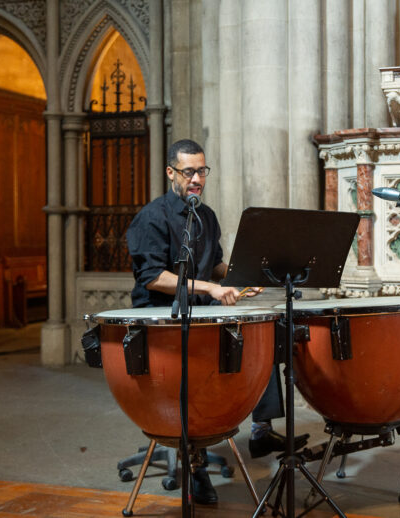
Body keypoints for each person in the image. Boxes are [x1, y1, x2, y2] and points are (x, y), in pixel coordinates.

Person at [125, 139, 307, 505]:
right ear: (171, 173)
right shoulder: (153, 217)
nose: (196, 179)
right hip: (162, 317)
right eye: (188, 171)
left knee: (257, 333)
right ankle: (197, 472)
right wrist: (210, 287)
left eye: (201, 171)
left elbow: (216, 265)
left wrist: (242, 276)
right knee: (196, 378)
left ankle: (260, 428)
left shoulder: (205, 216)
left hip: (202, 309)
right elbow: (151, 277)